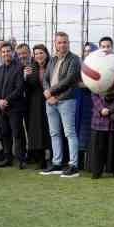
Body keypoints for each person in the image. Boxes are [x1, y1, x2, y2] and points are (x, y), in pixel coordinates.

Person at [42, 31, 82, 177]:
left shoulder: (74, 59)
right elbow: (45, 78)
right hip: (50, 102)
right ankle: (57, 163)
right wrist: (48, 93)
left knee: (69, 133)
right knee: (54, 133)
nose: (62, 45)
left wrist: (51, 93)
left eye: (65, 42)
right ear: (55, 44)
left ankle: (73, 165)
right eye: (59, 42)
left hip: (66, 100)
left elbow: (69, 81)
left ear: (68, 43)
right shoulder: (52, 60)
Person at [0, 40, 26, 167]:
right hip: (1, 107)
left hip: (15, 107)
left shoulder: (19, 67)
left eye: (8, 51)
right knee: (5, 133)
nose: (6, 53)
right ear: (0, 53)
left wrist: (7, 100)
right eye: (3, 51)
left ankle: (21, 158)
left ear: (13, 52)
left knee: (17, 133)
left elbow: (19, 88)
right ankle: (8, 158)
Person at [87, 70, 114, 179]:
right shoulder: (95, 79)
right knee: (98, 147)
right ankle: (97, 171)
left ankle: (113, 170)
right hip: (98, 118)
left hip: (112, 118)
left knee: (112, 148)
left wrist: (110, 109)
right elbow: (94, 94)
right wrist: (101, 109)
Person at [25, 43, 51, 166]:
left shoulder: (52, 65)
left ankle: (54, 158)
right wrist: (25, 76)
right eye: (36, 53)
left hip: (51, 100)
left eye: (41, 53)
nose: (39, 55)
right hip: (35, 103)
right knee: (37, 131)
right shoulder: (30, 68)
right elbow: (26, 87)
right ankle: (40, 159)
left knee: (51, 130)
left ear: (46, 53)